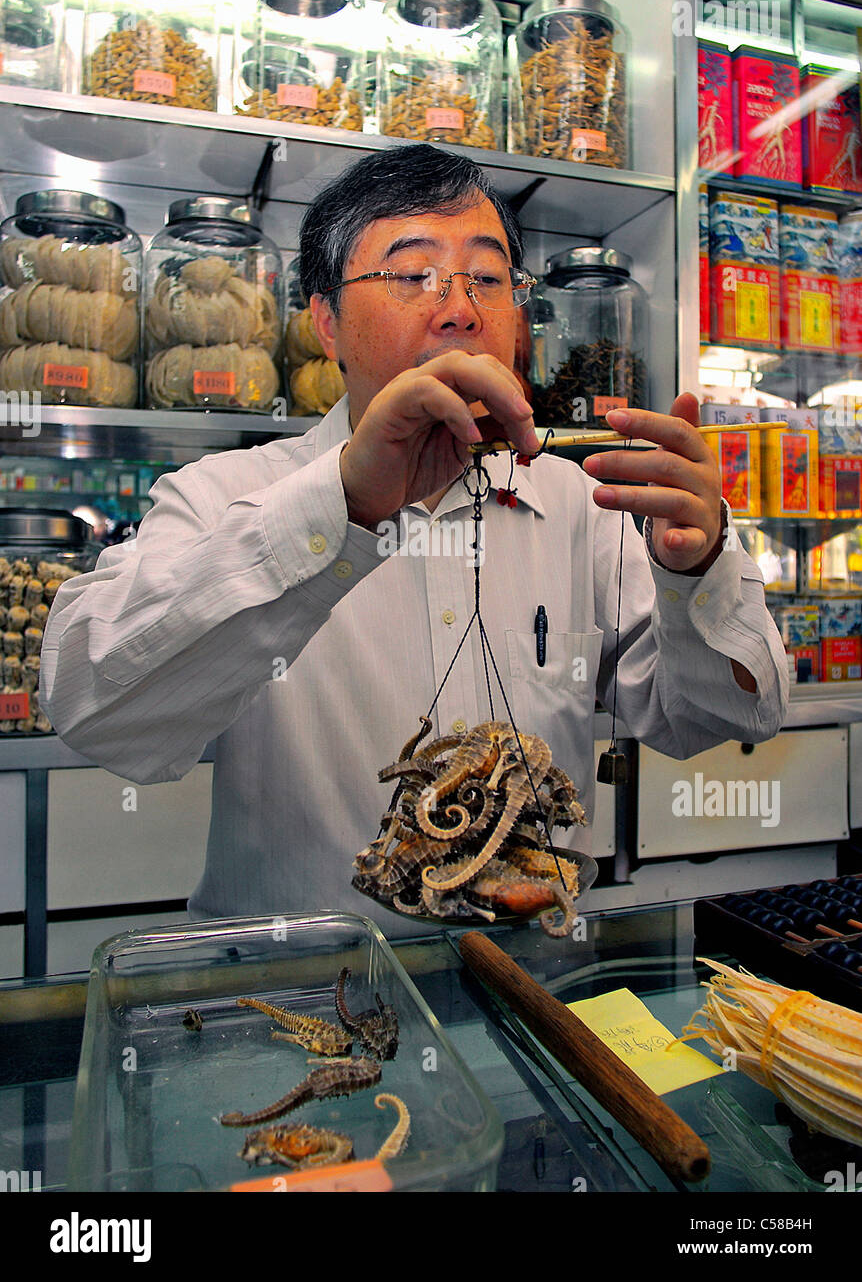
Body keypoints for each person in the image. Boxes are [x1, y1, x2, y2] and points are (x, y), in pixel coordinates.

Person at [41, 144, 788, 935]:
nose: (460, 308)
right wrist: (343, 505)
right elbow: (96, 708)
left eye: (489, 279)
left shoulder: (585, 506)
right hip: (301, 990)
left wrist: (696, 571)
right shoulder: (227, 496)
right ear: (326, 322)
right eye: (413, 275)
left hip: (533, 992)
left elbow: (727, 720)